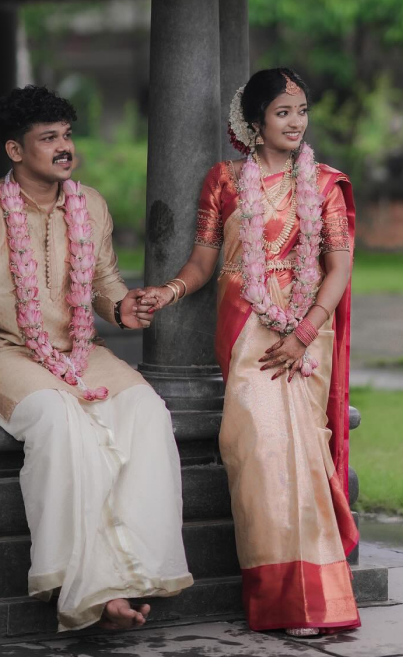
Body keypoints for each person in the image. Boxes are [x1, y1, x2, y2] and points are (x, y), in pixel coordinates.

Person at [0, 84, 185, 633]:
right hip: (6, 352)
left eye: (67, 135)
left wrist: (122, 306)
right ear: (16, 150)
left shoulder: (90, 205)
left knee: (148, 412)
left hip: (82, 348)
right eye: (48, 138)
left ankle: (136, 570)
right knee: (62, 422)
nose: (64, 147)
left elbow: (105, 283)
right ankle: (84, 588)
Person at [135, 67, 359, 638]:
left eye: (302, 111)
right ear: (255, 122)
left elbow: (339, 270)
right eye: (283, 112)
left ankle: (316, 599)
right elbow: (204, 261)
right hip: (246, 332)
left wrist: (304, 332)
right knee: (259, 453)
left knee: (304, 455)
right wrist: (168, 291)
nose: (295, 122)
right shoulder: (225, 180)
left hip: (307, 332)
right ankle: (278, 597)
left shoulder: (325, 183)